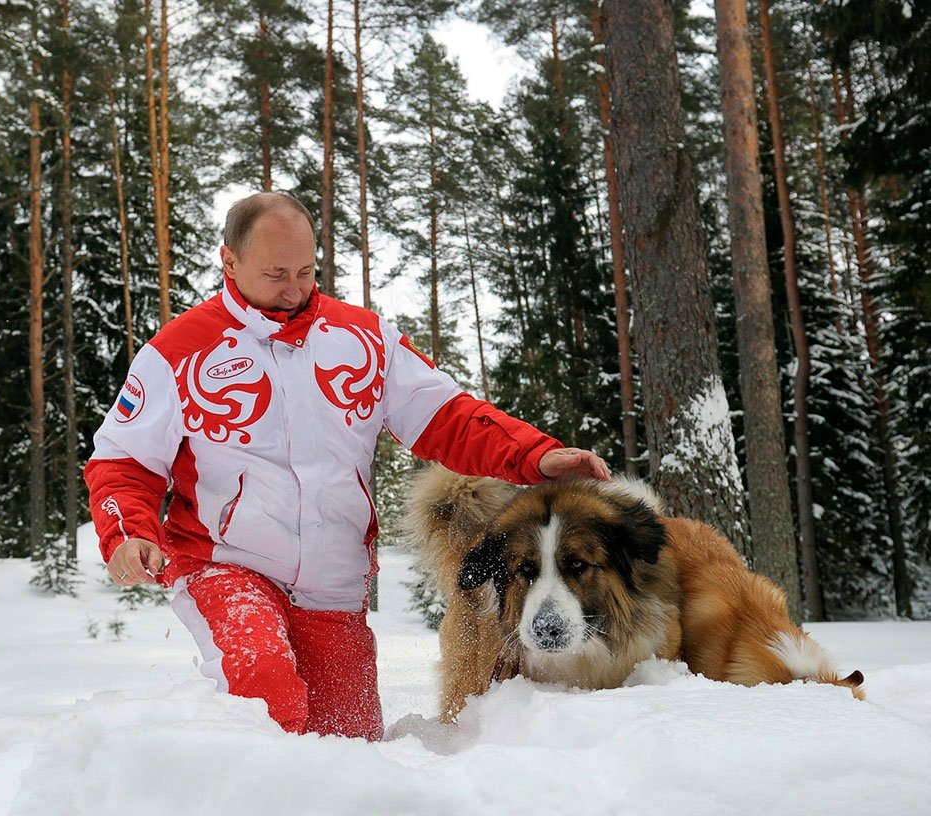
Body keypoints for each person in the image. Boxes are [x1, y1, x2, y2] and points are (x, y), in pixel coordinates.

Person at [85, 191, 611, 741]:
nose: (294, 289)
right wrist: (125, 532)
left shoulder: (364, 339)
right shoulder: (179, 351)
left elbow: (447, 416)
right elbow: (123, 460)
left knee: (348, 742)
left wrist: (536, 455)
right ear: (230, 262)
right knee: (263, 689)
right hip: (225, 565)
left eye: (306, 271)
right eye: (276, 274)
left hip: (332, 583)